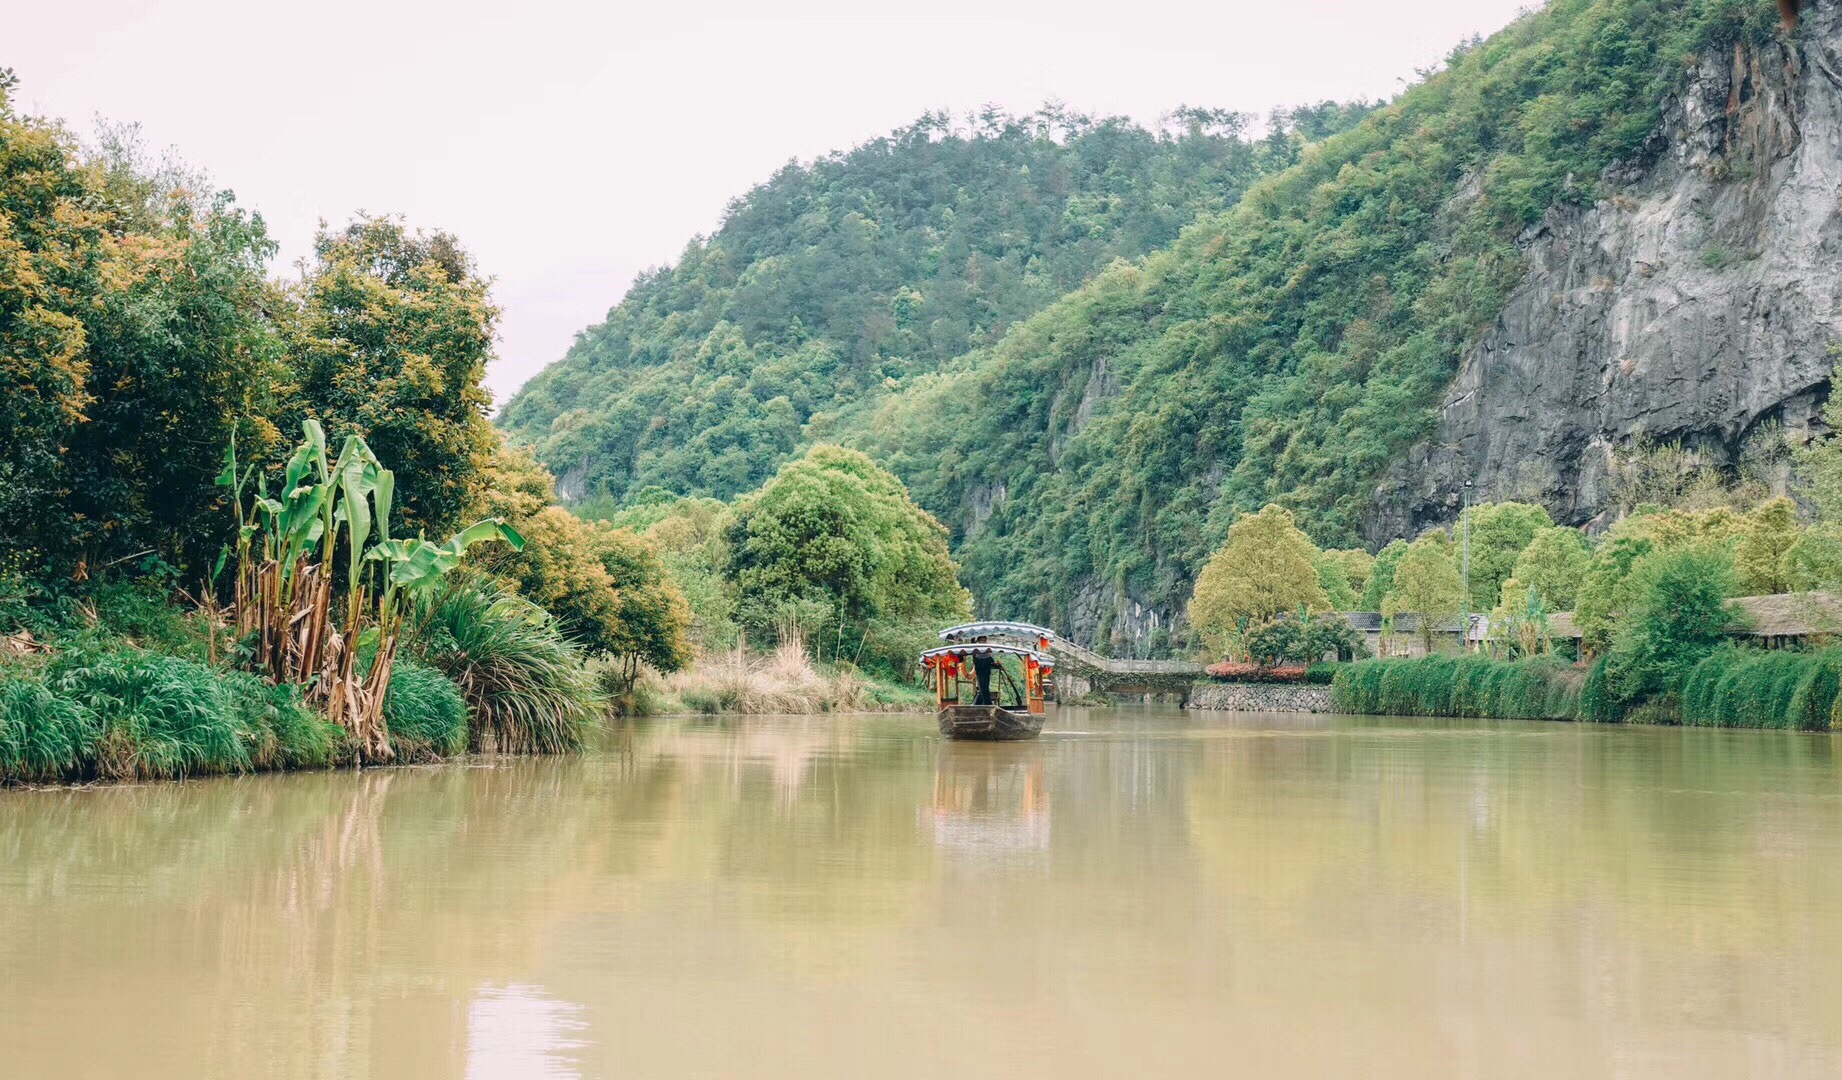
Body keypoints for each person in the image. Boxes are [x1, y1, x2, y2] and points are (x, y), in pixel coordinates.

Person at [972, 636, 995, 705]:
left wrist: (994, 663)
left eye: (984, 640)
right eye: (982, 640)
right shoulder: (976, 647)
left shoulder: (987, 647)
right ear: (978, 640)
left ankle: (978, 705)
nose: (983, 641)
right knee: (982, 685)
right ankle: (987, 704)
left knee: (985, 686)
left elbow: (991, 659)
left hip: (986, 666)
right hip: (980, 666)